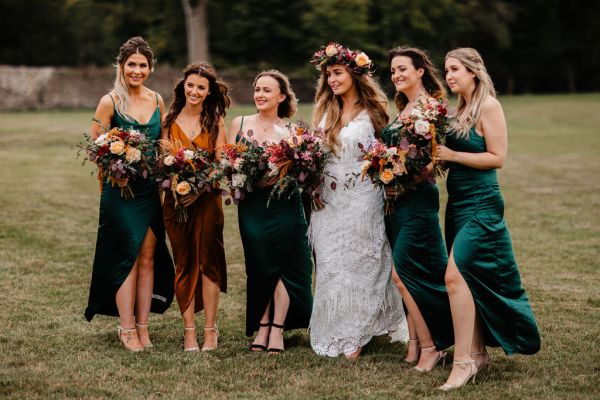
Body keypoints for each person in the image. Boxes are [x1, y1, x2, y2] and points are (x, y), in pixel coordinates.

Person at [435, 47, 541, 390]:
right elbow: (454, 157)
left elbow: (498, 157)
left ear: (474, 72)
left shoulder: (489, 106)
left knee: (454, 276)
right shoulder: (458, 110)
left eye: (454, 69)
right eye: (446, 70)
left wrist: (452, 154)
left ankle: (462, 362)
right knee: (468, 278)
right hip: (458, 203)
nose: (449, 75)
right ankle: (478, 354)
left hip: (482, 202)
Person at [308, 42, 407, 359]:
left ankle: (357, 334)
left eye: (337, 73)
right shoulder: (325, 110)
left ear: (353, 73)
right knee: (331, 265)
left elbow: (388, 154)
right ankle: (335, 328)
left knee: (361, 263)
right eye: (328, 75)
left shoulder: (374, 111)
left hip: (363, 198)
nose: (332, 80)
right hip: (327, 200)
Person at [84, 36, 174, 352]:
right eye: (131, 65)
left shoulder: (157, 100)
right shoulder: (110, 101)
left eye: (142, 65)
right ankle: (125, 328)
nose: (137, 71)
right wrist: (115, 171)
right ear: (121, 67)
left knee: (148, 257)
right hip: (119, 192)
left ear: (150, 68)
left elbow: (163, 145)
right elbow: (96, 148)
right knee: (127, 257)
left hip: (149, 190)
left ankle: (142, 326)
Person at [228, 70, 313, 354]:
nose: (260, 95)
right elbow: (228, 162)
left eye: (267, 90)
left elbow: (302, 174)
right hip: (252, 206)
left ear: (281, 96)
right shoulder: (239, 123)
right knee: (259, 265)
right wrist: (239, 175)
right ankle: (261, 325)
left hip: (284, 205)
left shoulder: (292, 133)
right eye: (257, 89)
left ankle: (276, 328)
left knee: (283, 268)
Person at [382, 46, 454, 371]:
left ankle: (432, 345)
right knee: (408, 272)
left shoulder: (431, 107)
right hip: (396, 200)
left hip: (419, 197)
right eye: (393, 70)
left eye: (402, 69)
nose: (396, 75)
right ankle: (413, 342)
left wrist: (404, 171)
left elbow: (431, 160)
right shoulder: (404, 107)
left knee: (403, 273)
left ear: (420, 71)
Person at [161, 63, 229, 352]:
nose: (194, 91)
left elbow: (223, 162)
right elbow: (162, 162)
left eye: (201, 87)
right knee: (184, 262)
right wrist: (177, 187)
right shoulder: (168, 118)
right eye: (190, 85)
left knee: (208, 264)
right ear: (183, 85)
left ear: (209, 91)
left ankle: (210, 331)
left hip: (207, 202)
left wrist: (199, 186)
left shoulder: (215, 122)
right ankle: (189, 331)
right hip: (175, 204)